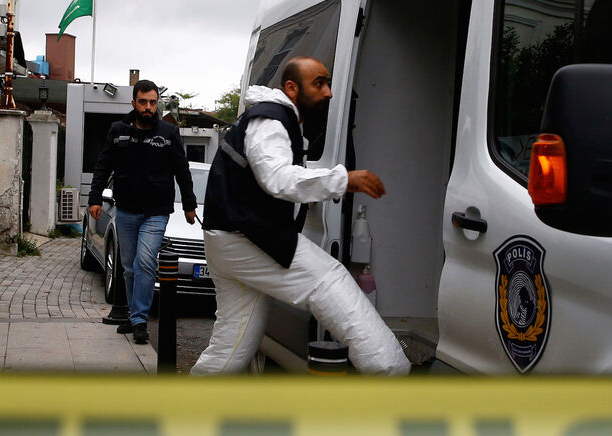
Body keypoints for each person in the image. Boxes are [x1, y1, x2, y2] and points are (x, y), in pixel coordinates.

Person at [190, 57, 410, 375]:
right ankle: (391, 374)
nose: (329, 92)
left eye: (328, 83)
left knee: (232, 347)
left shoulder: (272, 118)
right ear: (292, 88)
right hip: (243, 239)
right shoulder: (271, 121)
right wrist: (342, 179)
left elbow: (276, 174)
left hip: (227, 240)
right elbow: (277, 177)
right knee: (329, 279)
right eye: (319, 83)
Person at [88, 79, 197, 345]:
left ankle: (139, 321)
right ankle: (133, 314)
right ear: (134, 102)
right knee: (128, 268)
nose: (148, 107)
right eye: (143, 102)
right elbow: (103, 166)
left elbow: (182, 171)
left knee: (145, 262)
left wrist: (189, 204)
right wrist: (94, 198)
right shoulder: (118, 131)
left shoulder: (169, 133)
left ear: (157, 103)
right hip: (125, 210)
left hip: (156, 212)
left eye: (152, 102)